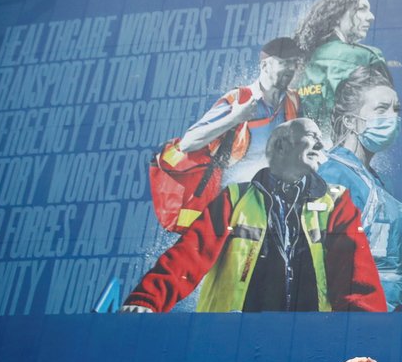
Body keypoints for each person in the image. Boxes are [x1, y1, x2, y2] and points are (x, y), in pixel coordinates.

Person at [122, 118, 386, 313]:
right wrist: (146, 300)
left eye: (321, 138)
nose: (320, 143)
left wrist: (365, 330)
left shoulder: (336, 202)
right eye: (311, 136)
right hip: (232, 346)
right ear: (281, 146)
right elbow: (188, 256)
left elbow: (355, 273)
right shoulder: (234, 199)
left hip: (307, 343)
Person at [318, 64, 402, 311]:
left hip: (383, 309)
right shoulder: (333, 173)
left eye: (396, 109)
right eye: (381, 109)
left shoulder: (372, 180)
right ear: (350, 120)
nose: (392, 117)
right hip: (353, 312)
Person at [177, 37, 304, 186]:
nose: (290, 69)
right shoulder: (238, 99)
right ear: (264, 66)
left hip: (274, 200)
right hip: (236, 198)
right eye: (284, 62)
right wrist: (234, 118)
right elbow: (187, 143)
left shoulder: (294, 100)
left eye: (293, 62)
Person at [294, 0, 387, 137]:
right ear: (337, 16)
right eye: (361, 9)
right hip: (345, 150)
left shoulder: (297, 64)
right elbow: (383, 114)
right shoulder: (368, 57)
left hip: (303, 151)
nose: (371, 17)